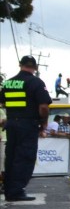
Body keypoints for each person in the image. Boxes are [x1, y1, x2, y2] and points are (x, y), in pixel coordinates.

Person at [1, 56, 51, 201]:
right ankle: (16, 191)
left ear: (20, 65)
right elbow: (43, 107)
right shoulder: (36, 82)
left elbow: (3, 103)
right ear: (35, 67)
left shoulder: (8, 83)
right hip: (27, 124)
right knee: (25, 156)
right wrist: (44, 122)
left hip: (11, 124)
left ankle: (9, 189)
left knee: (11, 157)